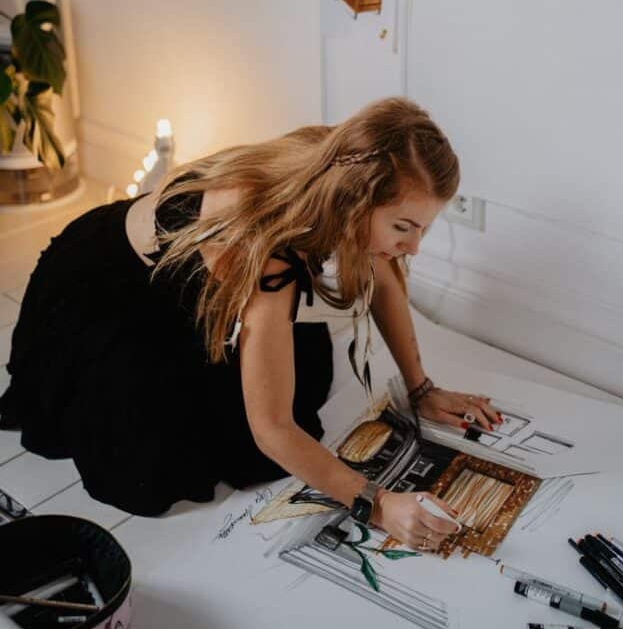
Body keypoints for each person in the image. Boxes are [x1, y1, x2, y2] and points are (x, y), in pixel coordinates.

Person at [0, 96, 500, 550]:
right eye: (403, 228)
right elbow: (273, 430)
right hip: (110, 293)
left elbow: (384, 274)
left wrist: (421, 388)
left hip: (198, 285)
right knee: (155, 473)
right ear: (356, 202)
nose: (414, 247)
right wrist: (379, 503)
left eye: (423, 230)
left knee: (301, 372)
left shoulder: (344, 163)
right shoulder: (269, 255)